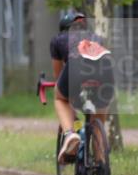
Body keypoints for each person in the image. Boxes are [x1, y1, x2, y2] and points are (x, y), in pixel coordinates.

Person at [49, 10, 114, 163]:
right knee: (99, 114)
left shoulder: (58, 39)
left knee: (60, 98)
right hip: (105, 72)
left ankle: (70, 134)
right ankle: (100, 164)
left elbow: (58, 75)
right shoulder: (97, 38)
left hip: (76, 69)